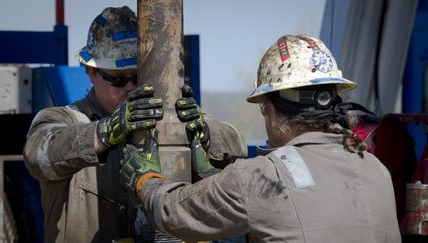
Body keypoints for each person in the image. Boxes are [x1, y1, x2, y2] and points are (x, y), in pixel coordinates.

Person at [120, 34, 402, 242]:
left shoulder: (260, 177)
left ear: (269, 109)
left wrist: (145, 182)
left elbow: (174, 213)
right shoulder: (374, 168)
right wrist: (214, 176)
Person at [23, 6, 246, 243]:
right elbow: (38, 156)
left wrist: (206, 133)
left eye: (137, 77)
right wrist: (106, 131)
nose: (130, 88)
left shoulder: (169, 117)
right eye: (118, 79)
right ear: (91, 72)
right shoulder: (66, 119)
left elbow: (237, 145)